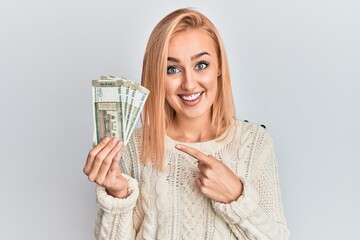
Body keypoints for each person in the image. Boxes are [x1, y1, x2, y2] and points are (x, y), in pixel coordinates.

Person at [83, 8, 290, 240]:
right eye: (172, 69)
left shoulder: (255, 143)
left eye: (201, 65)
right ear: (157, 76)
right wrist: (118, 195)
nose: (189, 84)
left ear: (219, 66)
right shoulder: (131, 147)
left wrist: (236, 197)